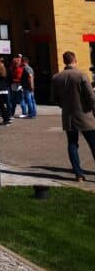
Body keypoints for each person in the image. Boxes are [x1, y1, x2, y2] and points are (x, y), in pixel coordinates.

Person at [51, 50, 95, 181]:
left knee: (72, 144)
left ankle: (78, 173)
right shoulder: (81, 75)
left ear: (64, 61)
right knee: (93, 144)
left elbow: (54, 98)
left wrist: (64, 105)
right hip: (85, 114)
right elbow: (91, 96)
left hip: (68, 115)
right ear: (75, 60)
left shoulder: (56, 77)